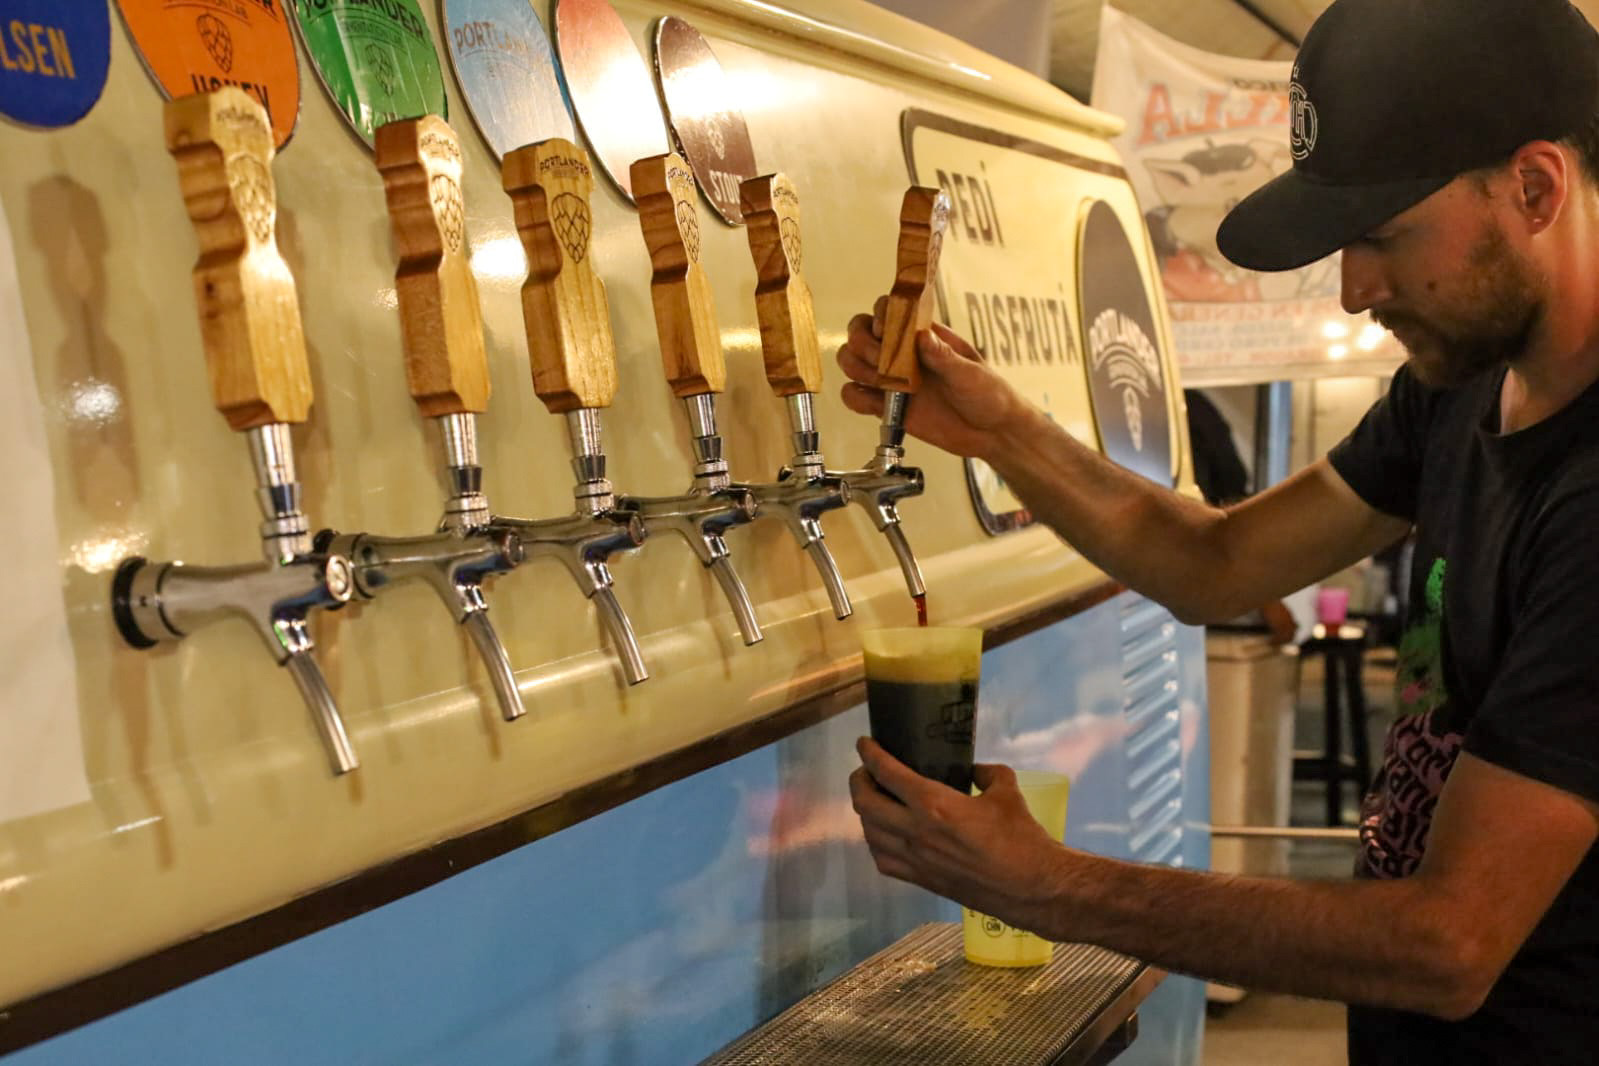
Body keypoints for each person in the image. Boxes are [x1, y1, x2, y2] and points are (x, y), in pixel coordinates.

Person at [841, 0, 1599, 1061]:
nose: (1355, 290)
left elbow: (1448, 942)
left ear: (1534, 188)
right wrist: (1000, 431)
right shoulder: (1459, 389)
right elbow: (1217, 563)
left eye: (1383, 236)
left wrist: (1047, 884)